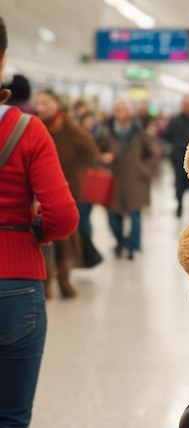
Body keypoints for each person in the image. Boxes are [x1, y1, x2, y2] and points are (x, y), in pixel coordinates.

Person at [0, 15, 79, 427]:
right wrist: (38, 233)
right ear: (4, 60)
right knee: (10, 416)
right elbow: (63, 215)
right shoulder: (28, 130)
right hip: (15, 280)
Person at [33, 89, 100, 299]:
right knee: (42, 238)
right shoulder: (36, 126)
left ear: (56, 104)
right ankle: (45, 285)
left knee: (65, 240)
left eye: (47, 103)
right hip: (39, 191)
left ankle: (64, 282)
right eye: (39, 103)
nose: (42, 107)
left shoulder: (68, 126)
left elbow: (91, 151)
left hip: (67, 189)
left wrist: (74, 169)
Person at [97, 100, 153, 260]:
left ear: (129, 112)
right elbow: (98, 152)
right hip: (113, 178)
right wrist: (103, 159)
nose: (118, 113)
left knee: (135, 214)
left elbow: (150, 152)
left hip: (135, 179)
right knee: (113, 216)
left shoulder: (139, 131)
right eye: (116, 110)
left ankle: (132, 245)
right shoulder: (106, 131)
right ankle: (120, 241)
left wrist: (145, 168)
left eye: (122, 109)